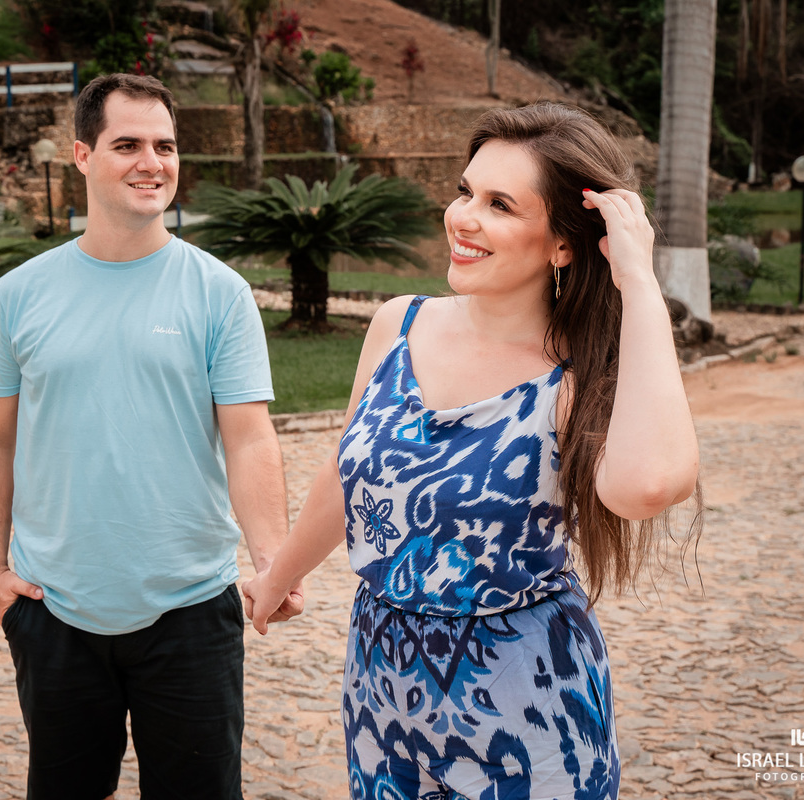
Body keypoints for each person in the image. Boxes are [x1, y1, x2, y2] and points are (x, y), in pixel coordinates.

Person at [242, 102, 701, 800]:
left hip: (525, 704)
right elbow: (350, 475)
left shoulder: (575, 380)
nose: (463, 216)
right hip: (382, 688)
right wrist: (279, 575)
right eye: (465, 192)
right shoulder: (400, 323)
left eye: (499, 205)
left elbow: (647, 486)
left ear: (563, 245)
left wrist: (636, 278)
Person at [0, 73, 303, 800]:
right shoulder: (19, 294)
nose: (153, 162)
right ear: (82, 155)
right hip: (53, 611)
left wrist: (273, 557)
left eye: (166, 145)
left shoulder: (220, 293)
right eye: (128, 145)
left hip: (190, 613)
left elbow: (249, 439)